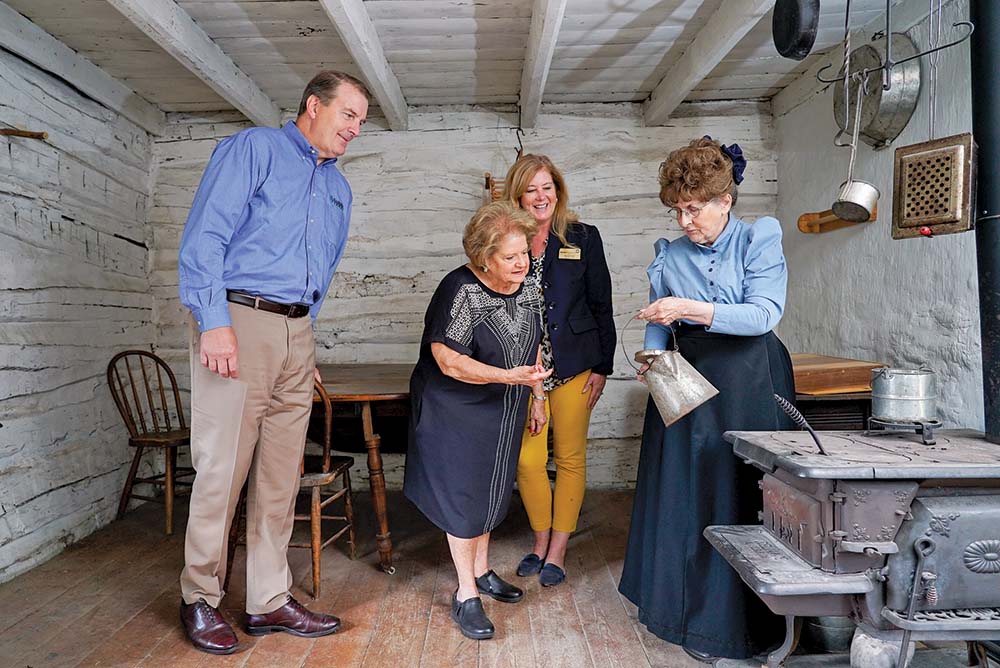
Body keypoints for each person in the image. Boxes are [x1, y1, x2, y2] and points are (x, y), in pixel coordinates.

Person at [176, 70, 370, 655]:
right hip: (237, 319)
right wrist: (215, 323)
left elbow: (322, 271)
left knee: (280, 476)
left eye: (362, 121)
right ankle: (200, 598)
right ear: (314, 105)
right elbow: (204, 238)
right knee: (221, 470)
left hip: (295, 332)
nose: (356, 129)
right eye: (349, 115)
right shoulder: (255, 149)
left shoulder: (340, 190)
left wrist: (299, 343)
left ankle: (267, 600)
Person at [618, 137, 794, 663]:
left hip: (751, 381)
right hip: (686, 378)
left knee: (741, 495)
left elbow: (764, 315)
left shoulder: (758, 238)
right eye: (677, 210)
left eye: (694, 209)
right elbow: (658, 324)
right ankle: (692, 620)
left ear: (726, 200)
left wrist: (687, 309)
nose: (685, 221)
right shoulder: (668, 254)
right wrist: (654, 368)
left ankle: (746, 631)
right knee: (690, 497)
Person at [403, 201, 551, 640]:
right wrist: (509, 378)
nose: (522, 262)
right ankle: (466, 593)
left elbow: (534, 346)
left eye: (524, 252)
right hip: (456, 412)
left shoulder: (527, 285)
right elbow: (447, 359)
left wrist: (537, 395)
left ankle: (483, 571)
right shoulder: (459, 289)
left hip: (503, 411)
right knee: (465, 500)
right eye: (510, 256)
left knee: (490, 493)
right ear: (484, 257)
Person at [501, 155, 615, 587]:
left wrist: (602, 366)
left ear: (558, 191)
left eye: (547, 187)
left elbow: (601, 304)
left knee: (569, 458)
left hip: (575, 366)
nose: (540, 196)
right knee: (528, 461)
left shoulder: (583, 237)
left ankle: (558, 551)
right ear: (517, 196)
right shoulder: (505, 240)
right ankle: (539, 539)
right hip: (525, 373)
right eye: (531, 189)